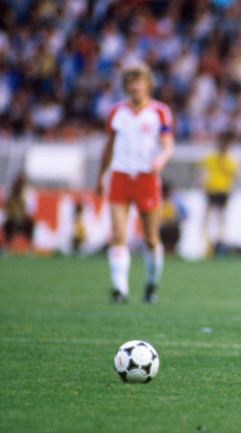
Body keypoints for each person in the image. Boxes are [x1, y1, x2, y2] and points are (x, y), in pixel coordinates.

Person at [95, 62, 175, 304]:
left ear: (147, 84)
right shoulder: (116, 112)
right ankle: (120, 290)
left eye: (138, 82)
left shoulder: (159, 111)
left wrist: (161, 158)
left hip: (146, 177)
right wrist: (101, 175)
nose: (134, 87)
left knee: (150, 238)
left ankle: (151, 285)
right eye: (130, 82)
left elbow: (168, 144)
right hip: (120, 175)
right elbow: (108, 147)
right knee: (118, 234)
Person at [198, 130, 240, 257]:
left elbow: (234, 175)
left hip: (224, 190)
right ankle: (206, 243)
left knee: (221, 218)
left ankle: (220, 242)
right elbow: (198, 168)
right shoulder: (210, 156)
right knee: (208, 217)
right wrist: (200, 183)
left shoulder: (231, 158)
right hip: (211, 189)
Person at [2, 172, 35, 252]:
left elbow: (30, 211)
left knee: (30, 223)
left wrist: (22, 209)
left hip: (23, 218)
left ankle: (29, 246)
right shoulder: (8, 191)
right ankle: (7, 246)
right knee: (7, 224)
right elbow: (5, 207)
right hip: (12, 218)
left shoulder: (28, 193)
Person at [159, 181, 187, 256]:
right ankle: (164, 252)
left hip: (173, 228)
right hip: (162, 229)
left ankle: (173, 252)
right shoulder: (158, 202)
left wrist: (174, 220)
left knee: (174, 230)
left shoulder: (175, 201)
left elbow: (184, 215)